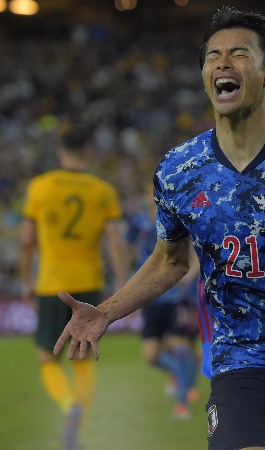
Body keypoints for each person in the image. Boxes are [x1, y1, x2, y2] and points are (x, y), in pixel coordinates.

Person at [53, 7, 265, 450]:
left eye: (239, 53)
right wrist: (105, 312)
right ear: (204, 76)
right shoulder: (178, 171)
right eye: (213, 56)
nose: (223, 63)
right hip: (243, 363)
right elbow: (169, 262)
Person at [20, 125, 128, 450]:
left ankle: (69, 407)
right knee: (82, 358)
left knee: (46, 357)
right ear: (89, 153)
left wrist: (26, 281)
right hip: (89, 283)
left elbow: (26, 240)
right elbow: (115, 241)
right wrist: (122, 283)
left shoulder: (40, 187)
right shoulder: (103, 190)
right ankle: (77, 422)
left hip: (51, 283)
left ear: (60, 152)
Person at [125, 187, 201, 419]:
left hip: (175, 297)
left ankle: (182, 402)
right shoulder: (138, 222)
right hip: (151, 298)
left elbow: (195, 253)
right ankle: (182, 372)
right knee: (151, 355)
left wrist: (188, 276)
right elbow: (130, 249)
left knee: (179, 346)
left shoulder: (178, 218)